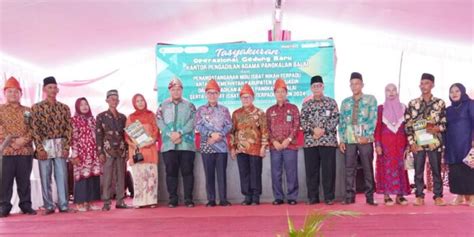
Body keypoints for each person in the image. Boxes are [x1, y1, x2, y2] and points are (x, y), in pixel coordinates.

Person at [31, 76, 73, 214]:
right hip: (44, 145)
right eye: (50, 87)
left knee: (62, 176)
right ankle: (48, 205)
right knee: (45, 176)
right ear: (44, 89)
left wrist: (67, 147)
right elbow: (34, 129)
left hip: (60, 144)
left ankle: (64, 204)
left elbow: (68, 128)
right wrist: (39, 148)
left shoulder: (64, 108)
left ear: (58, 90)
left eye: (55, 87)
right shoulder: (36, 108)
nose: (53, 90)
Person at [404, 73, 447, 206]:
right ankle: (419, 196)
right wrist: (411, 143)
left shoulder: (440, 103)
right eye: (422, 83)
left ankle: (438, 196)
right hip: (418, 143)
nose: (424, 86)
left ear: (432, 85)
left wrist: (437, 128)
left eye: (427, 83)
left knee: (436, 169)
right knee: (418, 170)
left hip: (434, 143)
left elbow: (444, 123)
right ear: (419, 85)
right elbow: (408, 124)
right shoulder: (412, 103)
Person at [339, 72, 378, 206]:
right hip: (349, 140)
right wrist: (342, 140)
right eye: (352, 84)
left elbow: (373, 119)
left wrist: (366, 137)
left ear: (362, 85)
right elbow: (342, 122)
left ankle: (370, 197)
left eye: (357, 83)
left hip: (364, 139)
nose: (354, 86)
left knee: (367, 167)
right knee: (349, 168)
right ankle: (349, 196)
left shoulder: (370, 99)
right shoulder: (345, 102)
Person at [157, 78, 196, 208]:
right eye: (173, 89)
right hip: (169, 145)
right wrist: (170, 134)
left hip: (186, 144)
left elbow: (193, 121)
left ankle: (188, 199)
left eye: (178, 89)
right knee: (171, 172)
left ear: (182, 90)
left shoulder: (190, 105)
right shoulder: (162, 105)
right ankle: (173, 199)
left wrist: (179, 133)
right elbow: (159, 122)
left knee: (188, 171)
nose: (176, 91)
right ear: (169, 90)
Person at [0, 77, 37, 217]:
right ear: (5, 93)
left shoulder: (27, 111)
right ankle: (4, 206)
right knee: (4, 181)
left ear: (21, 94)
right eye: (10, 92)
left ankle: (26, 205)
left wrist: (23, 140)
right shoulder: (0, 109)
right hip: (6, 151)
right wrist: (11, 142)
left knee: (24, 181)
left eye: (16, 92)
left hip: (25, 151)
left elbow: (32, 128)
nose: (13, 94)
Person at [301, 75, 339, 205]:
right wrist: (313, 131)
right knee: (311, 171)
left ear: (323, 87)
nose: (316, 88)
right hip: (311, 142)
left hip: (328, 141)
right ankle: (313, 197)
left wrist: (323, 130)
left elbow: (335, 119)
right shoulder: (306, 105)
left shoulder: (331, 102)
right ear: (311, 88)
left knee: (328, 171)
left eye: (319, 86)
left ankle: (329, 197)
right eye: (314, 86)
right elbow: (303, 121)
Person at [195, 79, 232, 207]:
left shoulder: (224, 110)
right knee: (209, 173)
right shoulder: (200, 110)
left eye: (215, 93)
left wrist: (219, 135)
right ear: (206, 94)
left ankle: (223, 199)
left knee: (222, 174)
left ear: (218, 94)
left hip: (221, 147)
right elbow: (198, 126)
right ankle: (211, 199)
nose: (212, 95)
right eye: (209, 93)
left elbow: (229, 125)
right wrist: (211, 134)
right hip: (207, 146)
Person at [231, 83, 268, 206]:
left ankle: (256, 197)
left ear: (253, 98)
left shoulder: (260, 113)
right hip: (241, 149)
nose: (245, 99)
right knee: (244, 172)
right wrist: (232, 147)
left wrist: (263, 147)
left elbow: (264, 131)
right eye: (243, 97)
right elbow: (232, 132)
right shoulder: (236, 114)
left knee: (256, 172)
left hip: (256, 149)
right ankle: (247, 196)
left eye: (248, 97)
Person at [374, 84, 410, 206]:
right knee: (386, 168)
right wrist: (377, 144)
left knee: (400, 167)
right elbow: (378, 127)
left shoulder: (404, 107)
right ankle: (387, 195)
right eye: (388, 90)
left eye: (393, 90)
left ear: (397, 92)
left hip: (400, 144)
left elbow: (407, 127)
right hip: (385, 145)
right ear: (385, 92)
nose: (391, 92)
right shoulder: (380, 108)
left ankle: (400, 196)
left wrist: (408, 144)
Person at [266, 78, 300, 205]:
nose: (280, 94)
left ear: (286, 93)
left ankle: (292, 197)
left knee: (291, 172)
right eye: (277, 92)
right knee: (276, 173)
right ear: (274, 94)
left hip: (290, 146)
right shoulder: (270, 111)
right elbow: (267, 128)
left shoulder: (293, 108)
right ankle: (278, 197)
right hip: (275, 147)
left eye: (282, 91)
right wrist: (274, 141)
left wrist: (289, 139)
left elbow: (296, 125)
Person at [96, 89, 131, 211]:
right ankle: (106, 202)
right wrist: (100, 152)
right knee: (107, 177)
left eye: (116, 99)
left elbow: (125, 136)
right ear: (107, 100)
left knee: (121, 176)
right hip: (107, 150)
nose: (114, 101)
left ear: (119, 101)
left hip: (121, 149)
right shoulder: (101, 117)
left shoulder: (123, 117)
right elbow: (99, 135)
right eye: (111, 99)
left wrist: (127, 151)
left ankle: (120, 201)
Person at [126, 94, 159, 208]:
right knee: (139, 176)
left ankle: (151, 200)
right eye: (137, 101)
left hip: (150, 149)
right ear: (134, 103)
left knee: (151, 176)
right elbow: (127, 136)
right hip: (137, 150)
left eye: (142, 100)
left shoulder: (151, 115)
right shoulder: (130, 117)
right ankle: (139, 201)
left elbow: (156, 131)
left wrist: (151, 141)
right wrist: (134, 144)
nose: (140, 103)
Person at [444, 83, 474, 207]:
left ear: (462, 91)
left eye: (457, 91)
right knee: (455, 170)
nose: (454, 94)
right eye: (452, 92)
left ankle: (472, 196)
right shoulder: (448, 110)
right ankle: (459, 196)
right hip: (452, 145)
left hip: (467, 142)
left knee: (468, 169)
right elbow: (445, 127)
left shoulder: (470, 104)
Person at [70, 98, 102, 211]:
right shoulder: (74, 120)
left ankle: (90, 202)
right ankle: (80, 203)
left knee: (93, 177)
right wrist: (74, 155)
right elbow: (73, 139)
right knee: (81, 178)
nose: (84, 106)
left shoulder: (93, 120)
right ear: (77, 107)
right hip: (81, 153)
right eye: (81, 104)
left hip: (93, 153)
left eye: (86, 104)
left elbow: (98, 137)